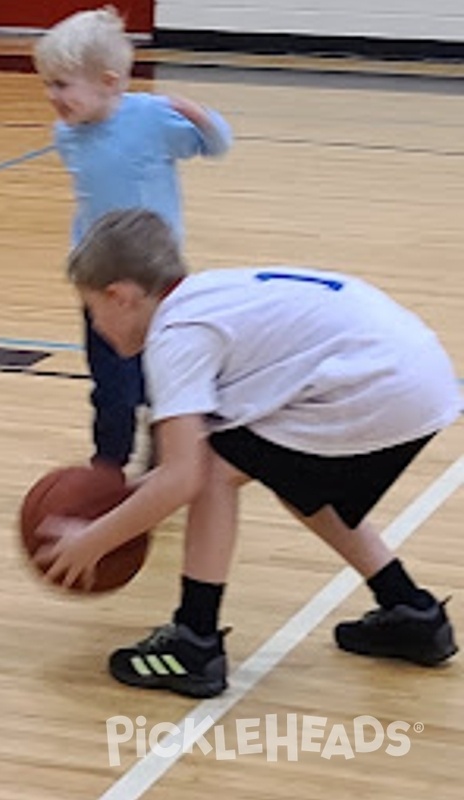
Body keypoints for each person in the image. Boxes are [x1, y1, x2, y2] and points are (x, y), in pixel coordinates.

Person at [36, 208, 460, 698]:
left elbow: (183, 477)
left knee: (216, 473)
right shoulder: (204, 299)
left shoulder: (176, 336)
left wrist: (94, 539)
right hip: (409, 367)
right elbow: (186, 463)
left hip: (375, 382)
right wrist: (127, 501)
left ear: (121, 296)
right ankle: (410, 611)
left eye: (93, 310)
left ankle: (194, 643)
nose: (96, 325)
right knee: (285, 475)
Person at [33, 6, 232, 473]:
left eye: (62, 85)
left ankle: (175, 450)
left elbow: (216, 146)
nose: (51, 96)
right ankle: (107, 463)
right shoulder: (66, 134)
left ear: (107, 81)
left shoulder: (151, 118)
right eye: (47, 84)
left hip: (153, 275)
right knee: (109, 381)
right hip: (99, 275)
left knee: (162, 372)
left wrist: (201, 117)